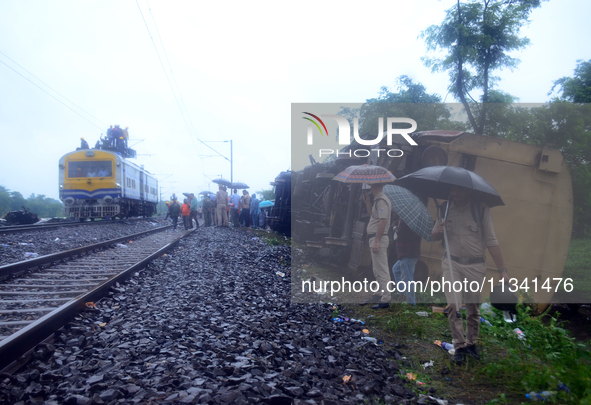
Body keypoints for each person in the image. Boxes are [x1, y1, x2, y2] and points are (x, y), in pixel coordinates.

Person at [431, 185, 508, 365]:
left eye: (459, 190)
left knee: (473, 308)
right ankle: (459, 346)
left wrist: (502, 270)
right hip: (451, 263)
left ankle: (471, 343)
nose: (455, 193)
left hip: (475, 265)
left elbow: (491, 240)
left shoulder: (480, 209)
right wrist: (437, 232)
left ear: (469, 191)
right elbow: (434, 235)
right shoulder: (444, 208)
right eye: (453, 190)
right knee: (453, 304)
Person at [361, 183, 392, 309]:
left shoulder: (381, 200)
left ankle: (386, 299)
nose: (370, 188)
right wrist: (368, 203)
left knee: (382, 269)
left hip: (378, 238)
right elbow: (374, 217)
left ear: (374, 187)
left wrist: (377, 240)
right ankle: (379, 293)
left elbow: (383, 221)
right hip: (375, 237)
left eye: (371, 186)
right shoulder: (378, 201)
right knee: (377, 269)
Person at [391, 215, 422, 305]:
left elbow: (401, 234)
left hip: (408, 253)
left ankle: (411, 303)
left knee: (408, 279)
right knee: (396, 270)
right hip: (408, 253)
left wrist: (395, 226)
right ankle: (401, 293)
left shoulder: (408, 220)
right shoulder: (410, 220)